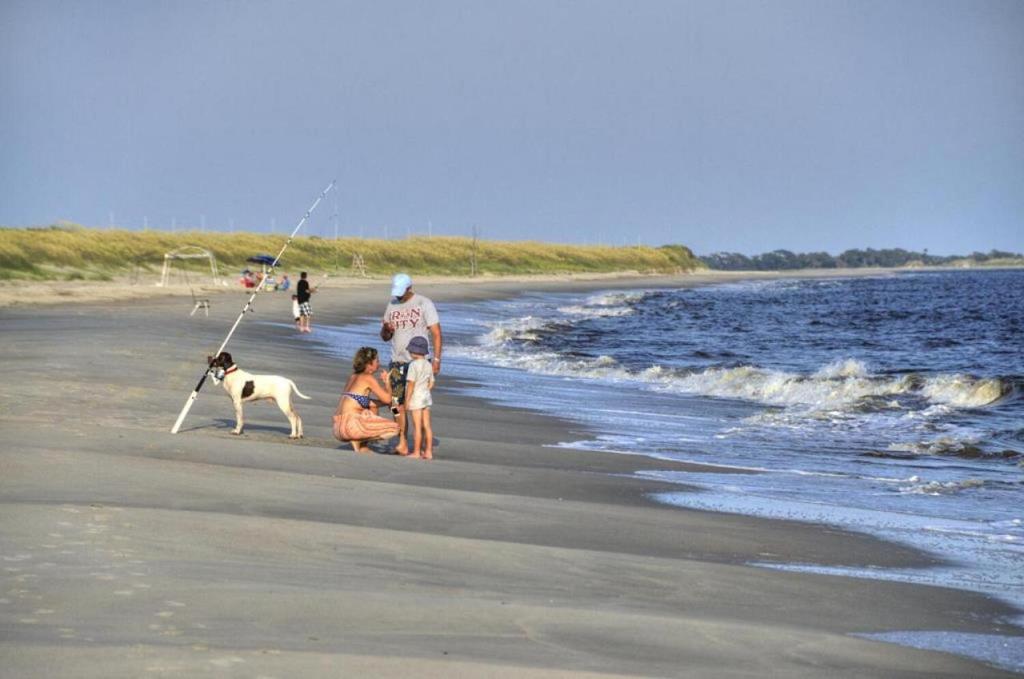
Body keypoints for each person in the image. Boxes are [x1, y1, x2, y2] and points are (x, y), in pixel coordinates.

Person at [380, 273, 442, 456]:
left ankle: (422, 446)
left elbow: (437, 333)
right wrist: (386, 329)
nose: (398, 296)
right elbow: (384, 337)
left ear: (409, 288)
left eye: (402, 292)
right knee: (395, 403)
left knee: (416, 405)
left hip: (419, 363)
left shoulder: (424, 303)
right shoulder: (392, 304)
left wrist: (437, 360)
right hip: (397, 361)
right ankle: (402, 442)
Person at [333, 347, 400, 453]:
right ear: (369, 364)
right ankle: (358, 441)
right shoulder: (368, 378)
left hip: (337, 429)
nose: (379, 363)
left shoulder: (353, 377)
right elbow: (387, 399)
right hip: (351, 428)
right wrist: (388, 383)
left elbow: (372, 403)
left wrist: (393, 406)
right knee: (395, 429)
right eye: (377, 360)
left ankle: (363, 445)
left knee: (371, 408)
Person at [404, 336, 435, 460]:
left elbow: (411, 384)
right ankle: (428, 451)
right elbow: (432, 382)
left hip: (416, 397)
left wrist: (407, 400)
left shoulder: (413, 365)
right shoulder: (428, 364)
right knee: (426, 425)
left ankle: (416, 452)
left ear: (413, 351)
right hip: (426, 396)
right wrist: (425, 390)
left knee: (417, 426)